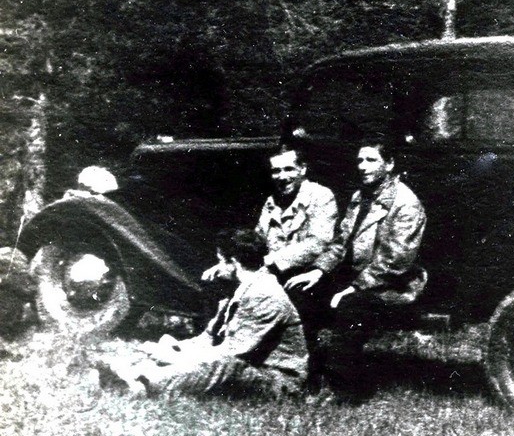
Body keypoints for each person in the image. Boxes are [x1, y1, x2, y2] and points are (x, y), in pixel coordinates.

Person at [285, 137, 427, 399]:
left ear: (389, 164)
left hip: (392, 285)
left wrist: (353, 287)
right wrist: (318, 271)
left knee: (352, 307)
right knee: (301, 293)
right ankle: (304, 374)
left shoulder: (406, 203)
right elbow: (341, 243)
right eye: (360, 160)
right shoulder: (360, 196)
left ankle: (343, 389)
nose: (362, 166)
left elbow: (394, 261)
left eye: (371, 160)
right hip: (355, 278)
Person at [99, 229, 309, 398]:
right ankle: (129, 371)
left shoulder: (264, 294)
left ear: (233, 263)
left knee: (223, 366)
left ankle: (142, 385)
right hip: (247, 366)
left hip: (276, 380)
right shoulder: (241, 289)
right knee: (175, 349)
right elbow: (208, 338)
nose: (217, 267)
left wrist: (175, 357)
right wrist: (177, 347)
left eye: (220, 260)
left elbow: (233, 352)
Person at [202, 145, 337, 282]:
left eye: (289, 169)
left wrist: (270, 260)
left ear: (302, 169)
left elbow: (317, 243)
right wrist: (227, 264)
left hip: (303, 278)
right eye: (276, 171)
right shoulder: (272, 201)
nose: (282, 177)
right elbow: (256, 241)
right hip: (270, 275)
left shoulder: (320, 196)